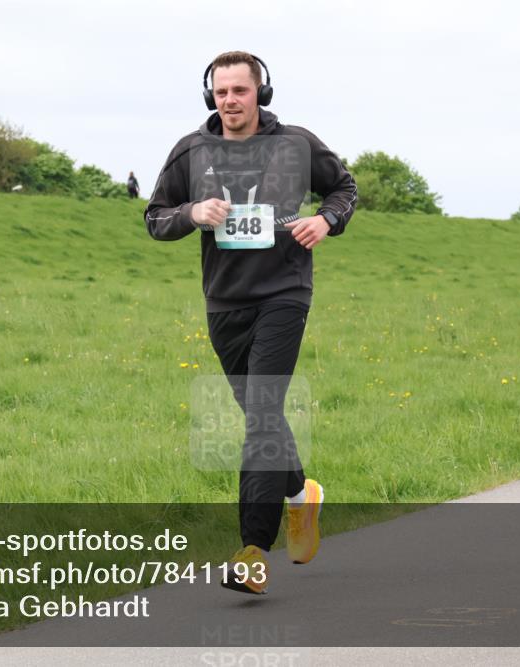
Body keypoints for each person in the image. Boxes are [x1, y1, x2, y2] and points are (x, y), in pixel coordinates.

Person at [144, 51, 356, 595]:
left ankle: (252, 553)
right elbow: (155, 218)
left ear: (260, 94)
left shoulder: (298, 144)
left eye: (240, 91)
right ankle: (298, 495)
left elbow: (344, 189)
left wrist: (326, 220)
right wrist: (191, 214)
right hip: (224, 302)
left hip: (284, 293)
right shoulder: (191, 151)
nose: (230, 102)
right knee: (263, 416)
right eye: (221, 93)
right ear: (209, 96)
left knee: (262, 411)